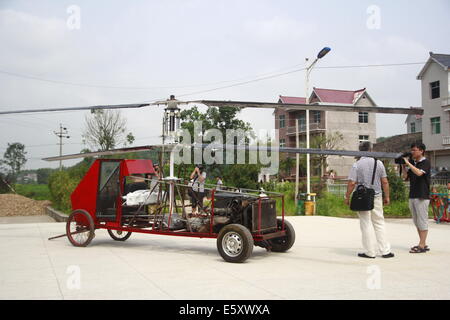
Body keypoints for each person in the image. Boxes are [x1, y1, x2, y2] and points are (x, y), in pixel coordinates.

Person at [345, 141, 394, 259]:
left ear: (360, 151)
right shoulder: (379, 163)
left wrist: (347, 196)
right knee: (379, 223)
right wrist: (387, 196)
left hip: (362, 197)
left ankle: (369, 252)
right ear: (371, 150)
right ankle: (385, 251)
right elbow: (385, 181)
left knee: (365, 224)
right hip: (376, 196)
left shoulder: (357, 164)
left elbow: (352, 183)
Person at [401, 143, 431, 253]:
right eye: (411, 150)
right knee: (417, 221)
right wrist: (404, 166)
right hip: (413, 195)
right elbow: (405, 177)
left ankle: (422, 245)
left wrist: (408, 162)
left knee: (422, 220)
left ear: (421, 151)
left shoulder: (425, 162)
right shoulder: (414, 163)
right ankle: (422, 243)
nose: (412, 152)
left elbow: (419, 173)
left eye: (414, 150)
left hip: (422, 195)